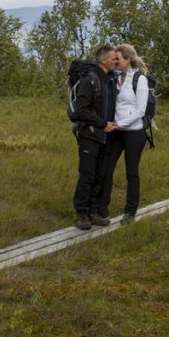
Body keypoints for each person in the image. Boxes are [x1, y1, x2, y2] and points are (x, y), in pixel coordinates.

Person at [69, 45, 118, 230]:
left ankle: (93, 211)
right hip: (90, 136)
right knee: (87, 175)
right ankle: (82, 214)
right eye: (113, 58)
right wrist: (102, 124)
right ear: (103, 60)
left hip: (106, 137)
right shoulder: (90, 80)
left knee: (100, 175)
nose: (116, 60)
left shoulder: (110, 80)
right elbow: (80, 110)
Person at [100, 43, 150, 225]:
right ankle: (102, 208)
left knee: (131, 172)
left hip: (134, 133)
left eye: (118, 59)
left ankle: (130, 211)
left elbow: (140, 111)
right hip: (116, 131)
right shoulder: (115, 77)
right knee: (106, 168)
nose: (115, 61)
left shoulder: (140, 80)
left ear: (128, 60)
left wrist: (119, 124)